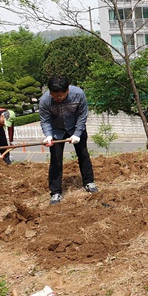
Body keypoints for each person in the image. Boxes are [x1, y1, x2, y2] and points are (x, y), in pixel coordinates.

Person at [39, 75, 98, 205]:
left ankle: (88, 182)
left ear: (67, 91)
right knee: (56, 160)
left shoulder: (79, 94)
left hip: (76, 127)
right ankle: (55, 192)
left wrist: (77, 133)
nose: (57, 99)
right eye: (54, 96)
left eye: (60, 96)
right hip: (56, 130)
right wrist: (48, 135)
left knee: (83, 155)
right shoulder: (44, 101)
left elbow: (83, 115)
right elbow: (45, 120)